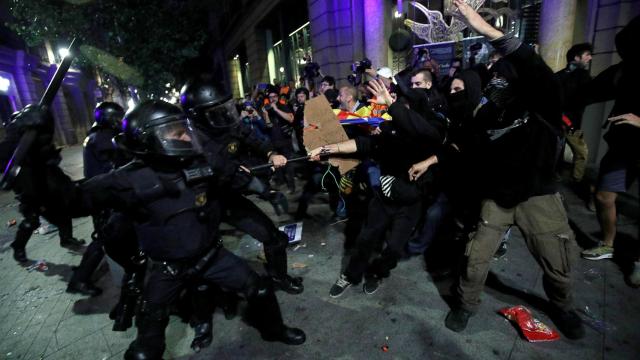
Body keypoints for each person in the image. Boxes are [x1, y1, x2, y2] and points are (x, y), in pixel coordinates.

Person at [37, 100, 305, 359]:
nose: (187, 138)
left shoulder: (200, 160)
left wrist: (266, 191)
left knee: (260, 290)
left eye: (183, 130)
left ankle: (274, 330)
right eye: (175, 133)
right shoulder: (126, 180)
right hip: (166, 268)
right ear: (148, 139)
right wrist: (41, 154)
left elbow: (232, 173)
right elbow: (68, 201)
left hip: (212, 256)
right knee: (146, 346)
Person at [413, 0, 585, 339]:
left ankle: (563, 307)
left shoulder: (544, 96)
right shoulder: (486, 110)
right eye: (493, 79)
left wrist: (484, 28)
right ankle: (466, 304)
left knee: (559, 264)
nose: (495, 82)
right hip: (496, 196)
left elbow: (529, 63)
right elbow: (464, 141)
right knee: (475, 260)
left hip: (538, 194)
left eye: (502, 74)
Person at [309, 79, 445, 297]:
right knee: (365, 240)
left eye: (406, 107)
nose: (401, 112)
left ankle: (378, 273)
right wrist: (327, 149)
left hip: (410, 204)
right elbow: (363, 144)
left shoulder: (430, 132)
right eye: (401, 106)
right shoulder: (390, 129)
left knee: (394, 248)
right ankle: (350, 275)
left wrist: (393, 105)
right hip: (384, 198)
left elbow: (429, 134)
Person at [180, 76, 303, 293]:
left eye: (224, 107)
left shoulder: (224, 124)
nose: (224, 113)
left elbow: (250, 137)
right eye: (215, 111)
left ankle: (279, 279)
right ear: (198, 116)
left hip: (229, 197)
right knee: (201, 259)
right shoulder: (191, 142)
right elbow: (228, 172)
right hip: (202, 206)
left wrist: (271, 153)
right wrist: (266, 192)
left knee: (274, 238)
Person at [577, 16, 640, 288]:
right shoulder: (623, 71)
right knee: (603, 196)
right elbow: (588, 92)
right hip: (623, 146)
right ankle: (607, 244)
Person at [0, 105, 85, 263]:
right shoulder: (12, 144)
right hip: (29, 188)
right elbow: (6, 159)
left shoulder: (37, 139)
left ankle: (66, 239)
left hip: (47, 184)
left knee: (63, 211)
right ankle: (18, 247)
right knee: (31, 220)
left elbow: (50, 155)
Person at [67, 101, 126, 296]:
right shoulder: (103, 138)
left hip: (98, 190)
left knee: (104, 235)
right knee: (104, 238)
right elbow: (113, 165)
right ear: (108, 119)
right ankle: (80, 279)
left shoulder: (96, 134)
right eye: (117, 118)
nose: (120, 122)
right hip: (103, 194)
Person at [555, 43, 593, 189]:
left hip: (564, 121)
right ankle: (577, 180)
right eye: (587, 55)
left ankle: (558, 174)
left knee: (559, 149)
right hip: (568, 122)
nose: (590, 58)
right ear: (576, 57)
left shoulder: (561, 75)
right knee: (581, 152)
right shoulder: (581, 76)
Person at [262, 88, 296, 193]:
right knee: (277, 165)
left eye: (274, 97)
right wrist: (266, 115)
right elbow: (269, 126)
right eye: (270, 97)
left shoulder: (283, 106)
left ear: (278, 97)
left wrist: (276, 109)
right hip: (274, 141)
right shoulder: (267, 109)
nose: (272, 99)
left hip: (285, 141)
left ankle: (291, 186)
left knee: (288, 165)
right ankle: (280, 183)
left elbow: (290, 119)